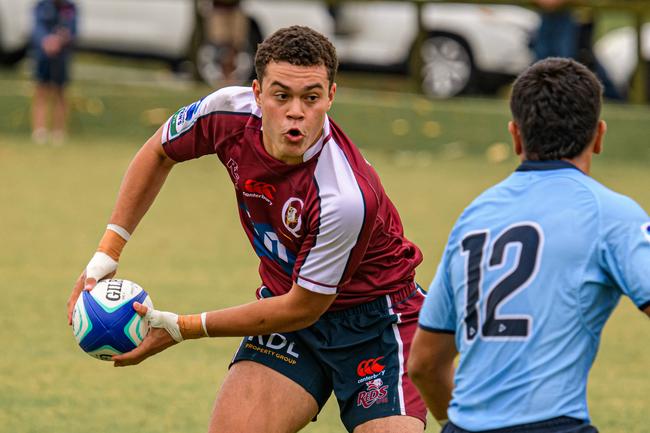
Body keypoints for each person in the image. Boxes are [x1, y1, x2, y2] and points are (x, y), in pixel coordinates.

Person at [66, 26, 428, 433]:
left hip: (376, 324)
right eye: (281, 95)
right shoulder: (226, 113)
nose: (296, 111)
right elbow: (159, 151)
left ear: (330, 96)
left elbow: (303, 306)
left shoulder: (343, 197)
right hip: (286, 314)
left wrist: (185, 327)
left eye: (311, 97)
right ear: (257, 93)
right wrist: (107, 252)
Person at [408, 57, 650, 432]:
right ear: (599, 136)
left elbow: (424, 364)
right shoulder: (611, 214)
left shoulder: (474, 217)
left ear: (515, 136)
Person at [532, 0, 621, 99]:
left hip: (575, 15)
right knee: (545, 57)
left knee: (571, 59)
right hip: (552, 14)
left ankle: (614, 97)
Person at [31, 0, 77, 145]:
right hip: (43, 56)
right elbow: (37, 29)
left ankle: (59, 131)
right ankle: (39, 130)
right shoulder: (41, 6)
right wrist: (46, 41)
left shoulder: (70, 7)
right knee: (41, 91)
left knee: (61, 92)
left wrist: (61, 39)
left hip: (62, 57)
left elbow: (74, 30)